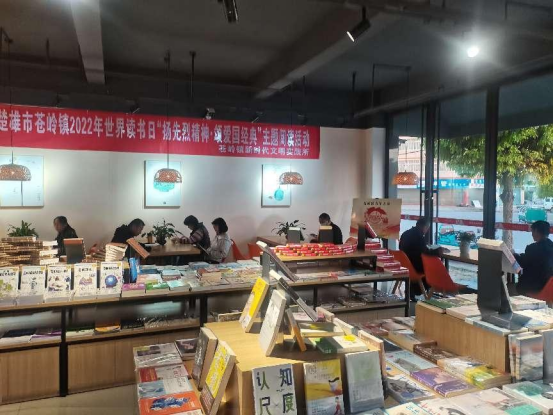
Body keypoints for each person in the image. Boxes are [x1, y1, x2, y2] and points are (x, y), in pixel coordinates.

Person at [515, 220, 553, 295]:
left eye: (532, 231)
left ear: (536, 231)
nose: (532, 234)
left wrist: (514, 255)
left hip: (534, 287)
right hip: (549, 287)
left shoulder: (532, 248)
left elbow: (523, 264)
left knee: (510, 288)